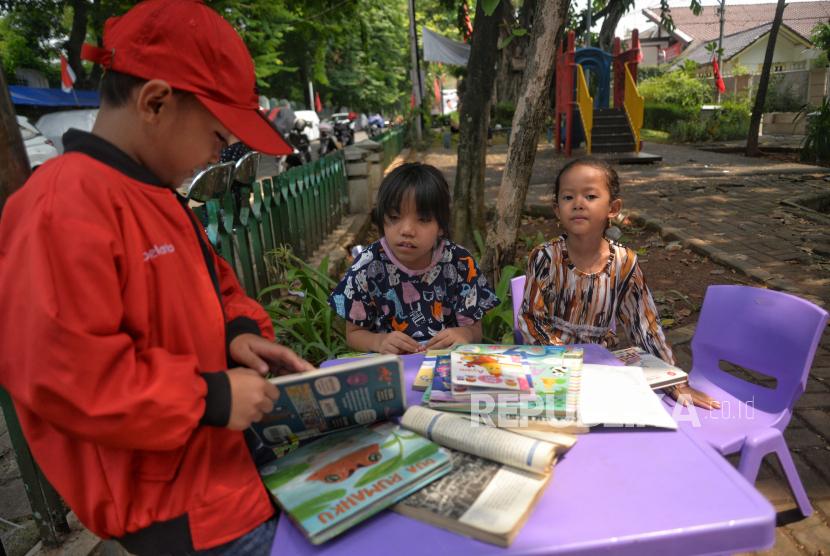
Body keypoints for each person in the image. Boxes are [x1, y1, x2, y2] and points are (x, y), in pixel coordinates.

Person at [0, 1, 314, 555]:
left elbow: (217, 290)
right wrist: (209, 398)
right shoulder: (61, 205)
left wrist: (237, 338)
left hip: (226, 471)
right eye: (218, 137)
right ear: (156, 103)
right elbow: (67, 374)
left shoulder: (160, 196)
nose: (219, 153)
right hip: (178, 509)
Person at [518, 157, 719, 410]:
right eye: (568, 197)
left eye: (590, 196)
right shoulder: (545, 257)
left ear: (613, 208)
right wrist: (566, 363)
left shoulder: (624, 262)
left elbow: (645, 325)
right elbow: (531, 320)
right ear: (557, 209)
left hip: (602, 364)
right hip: (553, 365)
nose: (578, 204)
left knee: (626, 415)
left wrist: (675, 381)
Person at [327, 162, 499, 354]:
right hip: (387, 369)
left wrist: (465, 335)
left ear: (441, 225)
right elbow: (354, 334)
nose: (407, 230)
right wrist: (379, 342)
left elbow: (475, 331)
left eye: (424, 219)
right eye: (394, 216)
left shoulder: (459, 262)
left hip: (443, 366)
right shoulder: (366, 266)